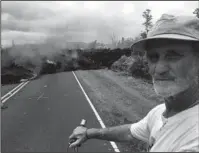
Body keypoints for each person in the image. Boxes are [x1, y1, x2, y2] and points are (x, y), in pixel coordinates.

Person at [69, 14, 199, 152]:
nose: (159, 69)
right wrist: (89, 133)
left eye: (173, 56)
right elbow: (131, 132)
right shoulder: (160, 112)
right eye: (153, 57)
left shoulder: (193, 140)